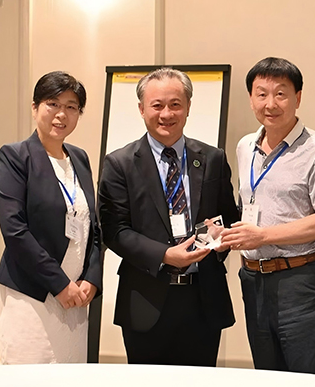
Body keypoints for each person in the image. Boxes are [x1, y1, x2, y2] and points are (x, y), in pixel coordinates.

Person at [99, 68, 238, 366]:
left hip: (203, 299)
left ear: (188, 107)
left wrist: (215, 241)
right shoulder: (120, 163)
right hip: (145, 298)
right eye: (157, 105)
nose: (166, 114)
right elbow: (114, 230)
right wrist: (165, 255)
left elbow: (228, 216)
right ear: (142, 109)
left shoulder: (213, 158)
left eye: (175, 104)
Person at [220, 57, 315, 375]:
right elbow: (252, 204)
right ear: (251, 99)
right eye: (261, 94)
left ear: (297, 98)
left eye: (280, 94)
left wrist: (262, 236)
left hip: (300, 279)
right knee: (268, 373)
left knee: (309, 376)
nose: (270, 104)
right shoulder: (245, 146)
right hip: (252, 279)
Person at [0, 71, 102, 364]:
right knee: (31, 375)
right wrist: (59, 284)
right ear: (35, 107)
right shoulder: (15, 157)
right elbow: (15, 231)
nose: (61, 114)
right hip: (32, 294)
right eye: (52, 104)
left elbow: (93, 227)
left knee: (70, 376)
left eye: (71, 106)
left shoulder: (79, 158)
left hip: (76, 298)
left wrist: (91, 279)